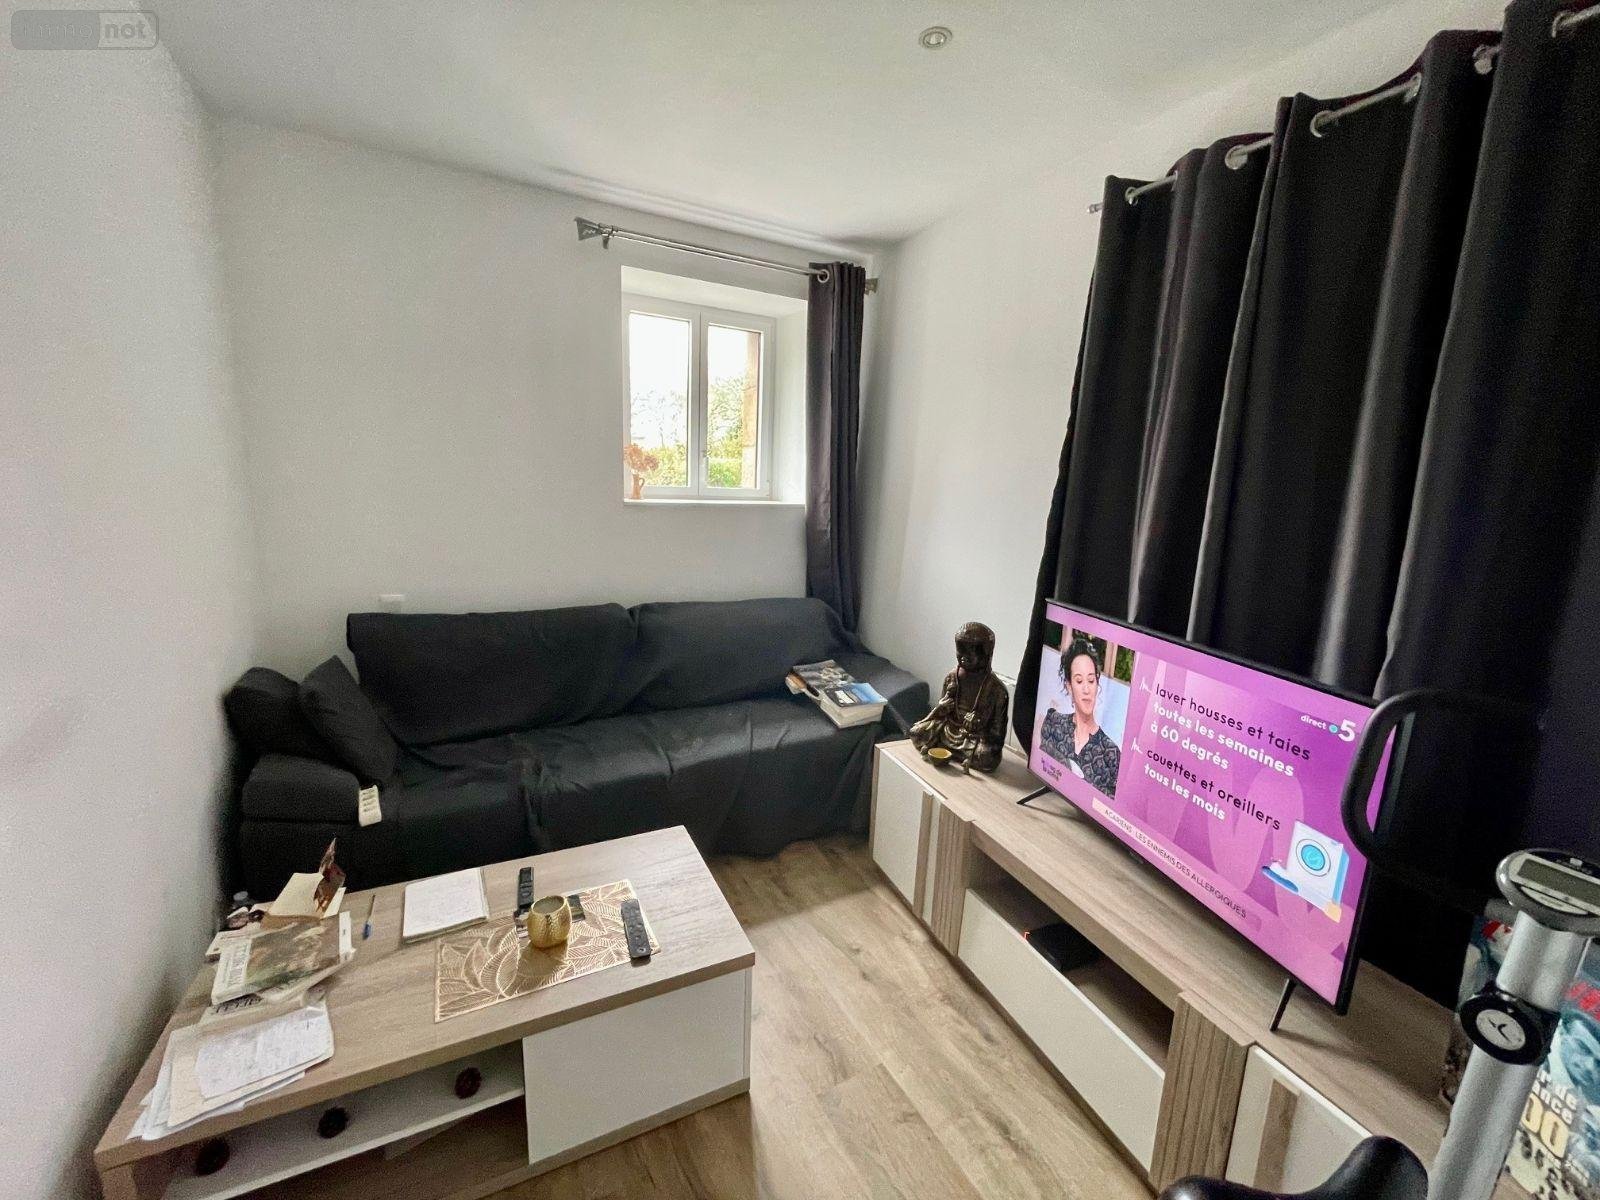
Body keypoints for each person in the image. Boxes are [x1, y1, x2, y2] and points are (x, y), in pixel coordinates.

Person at [909, 622, 1009, 772]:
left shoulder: (997, 690)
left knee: (987, 757)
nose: (963, 657)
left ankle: (952, 751)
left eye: (971, 651)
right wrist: (940, 709)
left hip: (974, 739)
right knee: (916, 733)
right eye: (960, 650)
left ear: (986, 653)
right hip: (947, 730)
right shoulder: (952, 677)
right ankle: (957, 754)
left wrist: (979, 724)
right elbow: (939, 717)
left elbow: (997, 737)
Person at [1039, 638, 1121, 797]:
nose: (1086, 689)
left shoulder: (1111, 753)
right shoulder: (1054, 723)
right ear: (1069, 686)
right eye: (1079, 681)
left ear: (1097, 685)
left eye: (1091, 680)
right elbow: (1043, 762)